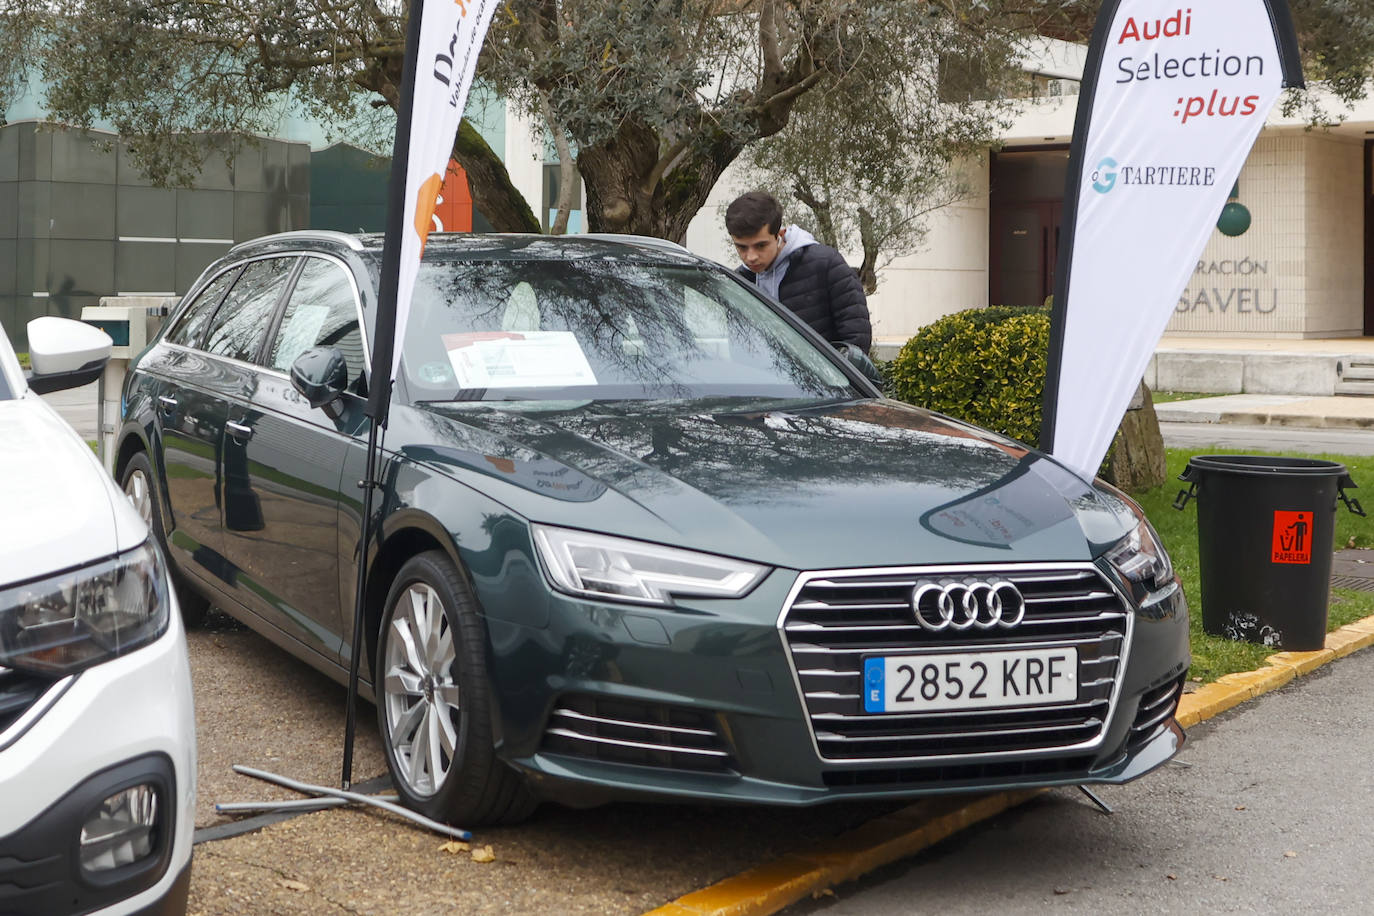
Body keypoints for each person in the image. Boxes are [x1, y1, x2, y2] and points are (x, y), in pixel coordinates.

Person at [725, 191, 872, 352]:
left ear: (779, 235)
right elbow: (739, 346)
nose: (751, 257)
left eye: (761, 246)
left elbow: (856, 341)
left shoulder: (826, 264)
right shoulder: (739, 282)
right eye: (741, 247)